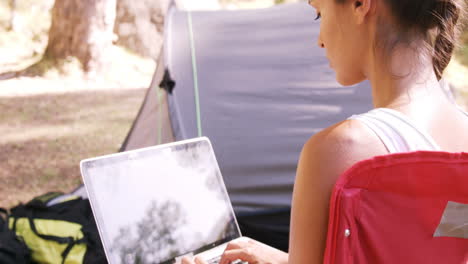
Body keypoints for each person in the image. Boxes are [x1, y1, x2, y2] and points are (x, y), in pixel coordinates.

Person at [183, 0, 467, 263]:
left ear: (359, 4)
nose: (319, 39)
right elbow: (422, 248)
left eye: (319, 12)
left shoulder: (339, 149)